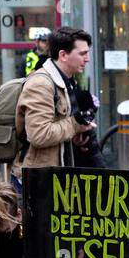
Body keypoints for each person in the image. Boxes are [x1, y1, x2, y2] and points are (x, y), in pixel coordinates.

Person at [15, 27, 94, 174]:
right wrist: (76, 124)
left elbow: (58, 124)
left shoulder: (67, 80)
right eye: (82, 53)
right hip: (42, 178)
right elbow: (39, 135)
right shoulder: (41, 84)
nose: (87, 58)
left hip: (60, 173)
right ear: (63, 55)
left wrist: (74, 138)